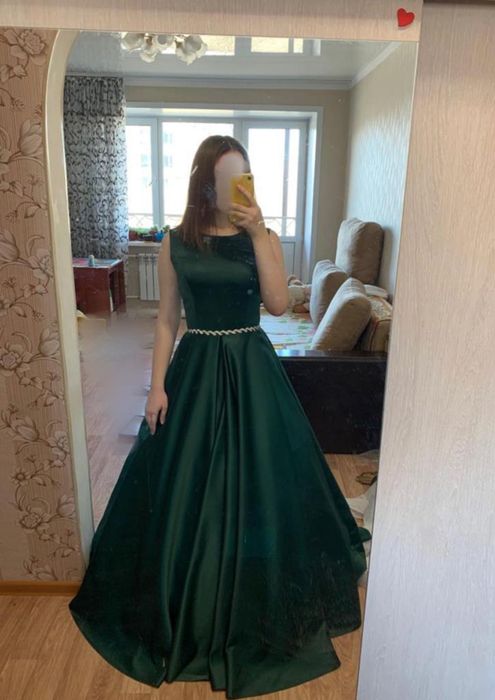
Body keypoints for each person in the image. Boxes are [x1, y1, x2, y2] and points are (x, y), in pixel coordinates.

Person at [68, 135, 371, 699]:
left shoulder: (264, 236)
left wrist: (258, 232)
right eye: (226, 178)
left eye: (243, 177)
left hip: (252, 367)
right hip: (197, 367)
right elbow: (166, 321)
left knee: (264, 479)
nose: (235, 187)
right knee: (186, 480)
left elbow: (277, 304)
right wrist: (157, 387)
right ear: (205, 183)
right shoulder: (175, 242)